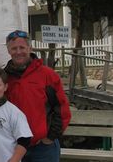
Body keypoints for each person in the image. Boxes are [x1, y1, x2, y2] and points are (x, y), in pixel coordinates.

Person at [4, 30, 71, 162]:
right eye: (14, 48)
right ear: (8, 51)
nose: (18, 52)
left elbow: (61, 108)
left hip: (43, 147)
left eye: (22, 47)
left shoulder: (47, 75)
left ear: (30, 48)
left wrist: (51, 137)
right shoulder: (4, 78)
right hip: (14, 146)